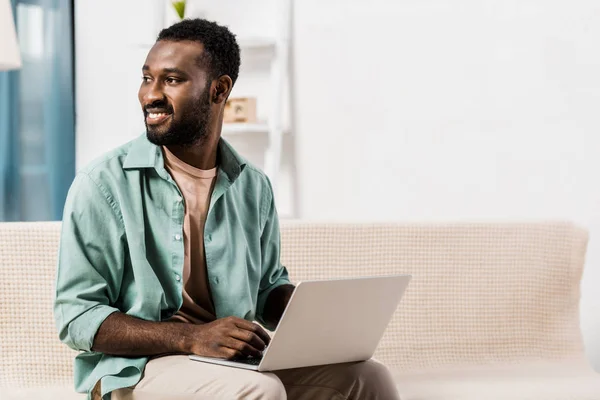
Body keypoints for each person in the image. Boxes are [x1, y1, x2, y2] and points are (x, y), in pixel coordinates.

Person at [54, 18, 400, 400]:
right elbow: (77, 317)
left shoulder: (253, 186)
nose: (150, 95)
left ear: (219, 90)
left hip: (229, 362)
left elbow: (267, 288)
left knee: (368, 378)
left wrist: (313, 315)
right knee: (259, 389)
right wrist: (192, 337)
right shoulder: (103, 184)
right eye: (146, 77)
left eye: (171, 80)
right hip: (135, 371)